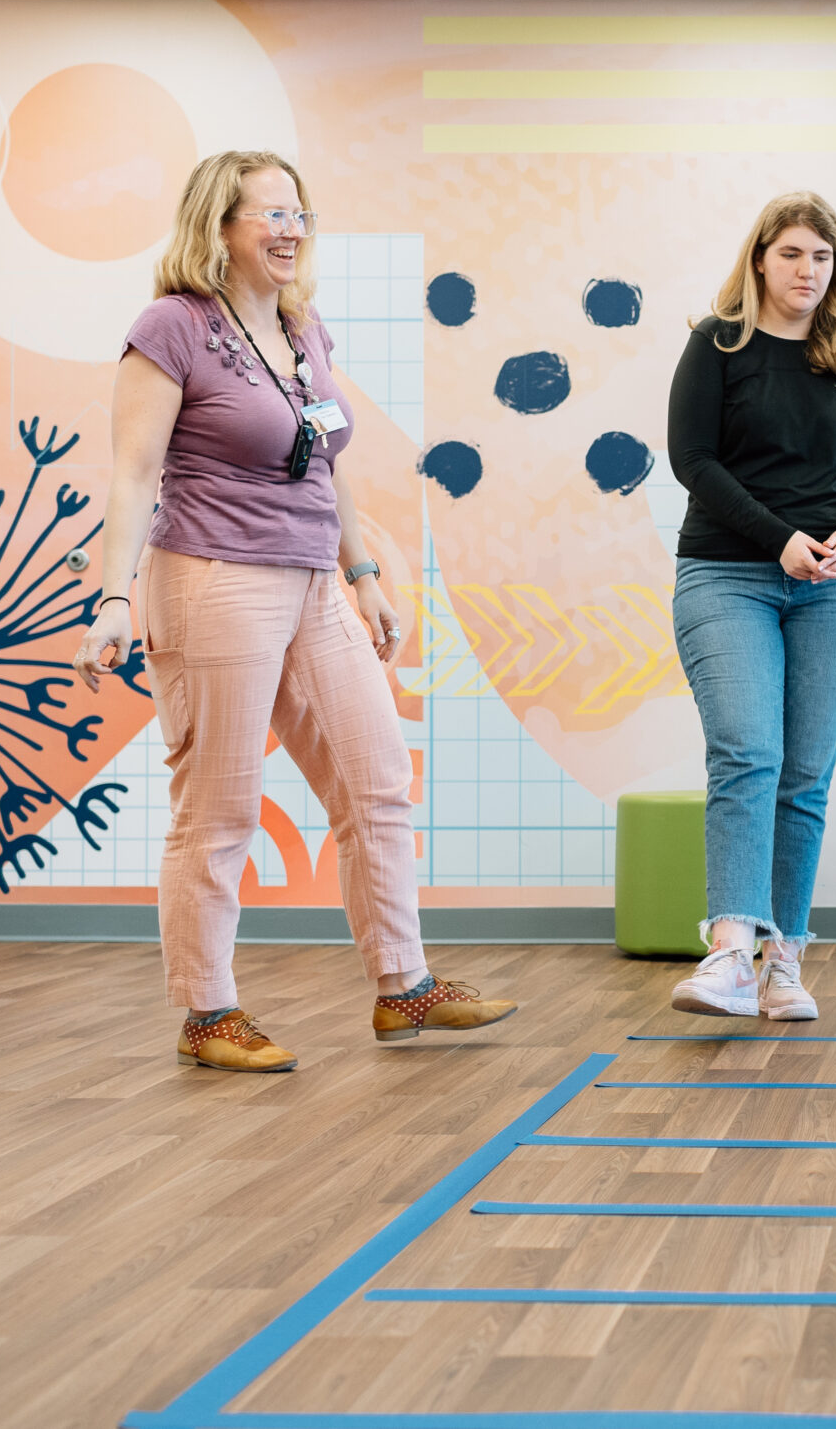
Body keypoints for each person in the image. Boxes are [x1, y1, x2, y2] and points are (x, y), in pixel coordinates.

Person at [74, 150, 514, 1071]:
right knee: (221, 803)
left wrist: (364, 572)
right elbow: (132, 472)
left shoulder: (303, 326)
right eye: (266, 214)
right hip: (212, 578)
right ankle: (208, 1012)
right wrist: (112, 598)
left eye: (297, 214)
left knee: (376, 777)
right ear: (217, 226)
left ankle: (405, 986)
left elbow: (326, 460)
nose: (287, 230)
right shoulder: (173, 327)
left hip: (314, 578)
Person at [665, 192, 836, 1023]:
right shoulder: (717, 345)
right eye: (793, 253)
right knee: (746, 753)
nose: (808, 271)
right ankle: (730, 949)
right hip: (729, 575)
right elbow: (691, 459)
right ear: (760, 258)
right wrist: (778, 540)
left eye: (823, 257)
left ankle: (783, 961)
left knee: (804, 775)